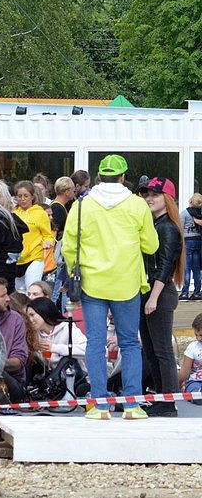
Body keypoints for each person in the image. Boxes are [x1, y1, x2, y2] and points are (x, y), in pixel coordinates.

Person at [61, 154, 158, 418]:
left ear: (99, 177)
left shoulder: (82, 205)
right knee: (129, 343)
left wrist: (75, 270)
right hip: (126, 283)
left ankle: (99, 405)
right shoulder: (137, 205)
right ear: (124, 177)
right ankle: (131, 404)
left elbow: (69, 247)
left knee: (95, 342)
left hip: (92, 283)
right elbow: (151, 245)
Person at [136, 177, 183, 402]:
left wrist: (153, 297)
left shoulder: (168, 228)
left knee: (163, 351)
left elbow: (164, 266)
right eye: (146, 194)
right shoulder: (155, 225)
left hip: (159, 293)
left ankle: (169, 400)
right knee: (153, 351)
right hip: (150, 292)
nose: (149, 198)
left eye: (155, 194)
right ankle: (161, 398)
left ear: (167, 198)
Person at [0, 275, 32, 404]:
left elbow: (19, 361)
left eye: (7, 294)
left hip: (8, 382)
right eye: (2, 296)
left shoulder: (15, 320)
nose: (8, 299)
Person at [13, 180, 55, 292]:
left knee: (32, 290)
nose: (22, 199)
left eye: (26, 196)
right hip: (17, 258)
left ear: (32, 196)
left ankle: (34, 309)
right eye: (19, 196)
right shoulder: (14, 213)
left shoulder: (40, 213)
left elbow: (48, 235)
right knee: (18, 294)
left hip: (34, 257)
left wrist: (48, 242)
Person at [26, 296, 87, 367]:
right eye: (28, 317)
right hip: (49, 375)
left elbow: (86, 349)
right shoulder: (34, 334)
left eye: (32, 315)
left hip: (72, 375)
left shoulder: (67, 328)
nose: (30, 320)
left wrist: (53, 348)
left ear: (44, 312)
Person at [182, 193, 202, 300]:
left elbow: (180, 228)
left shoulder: (185, 213)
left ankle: (185, 292)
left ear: (190, 201)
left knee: (187, 268)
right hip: (198, 241)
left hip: (187, 241)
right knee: (196, 268)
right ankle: (197, 292)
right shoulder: (200, 213)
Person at [177, 313, 202, 394]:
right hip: (195, 381)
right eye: (196, 335)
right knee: (194, 391)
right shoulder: (193, 347)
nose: (198, 338)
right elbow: (185, 372)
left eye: (201, 335)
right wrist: (177, 385)